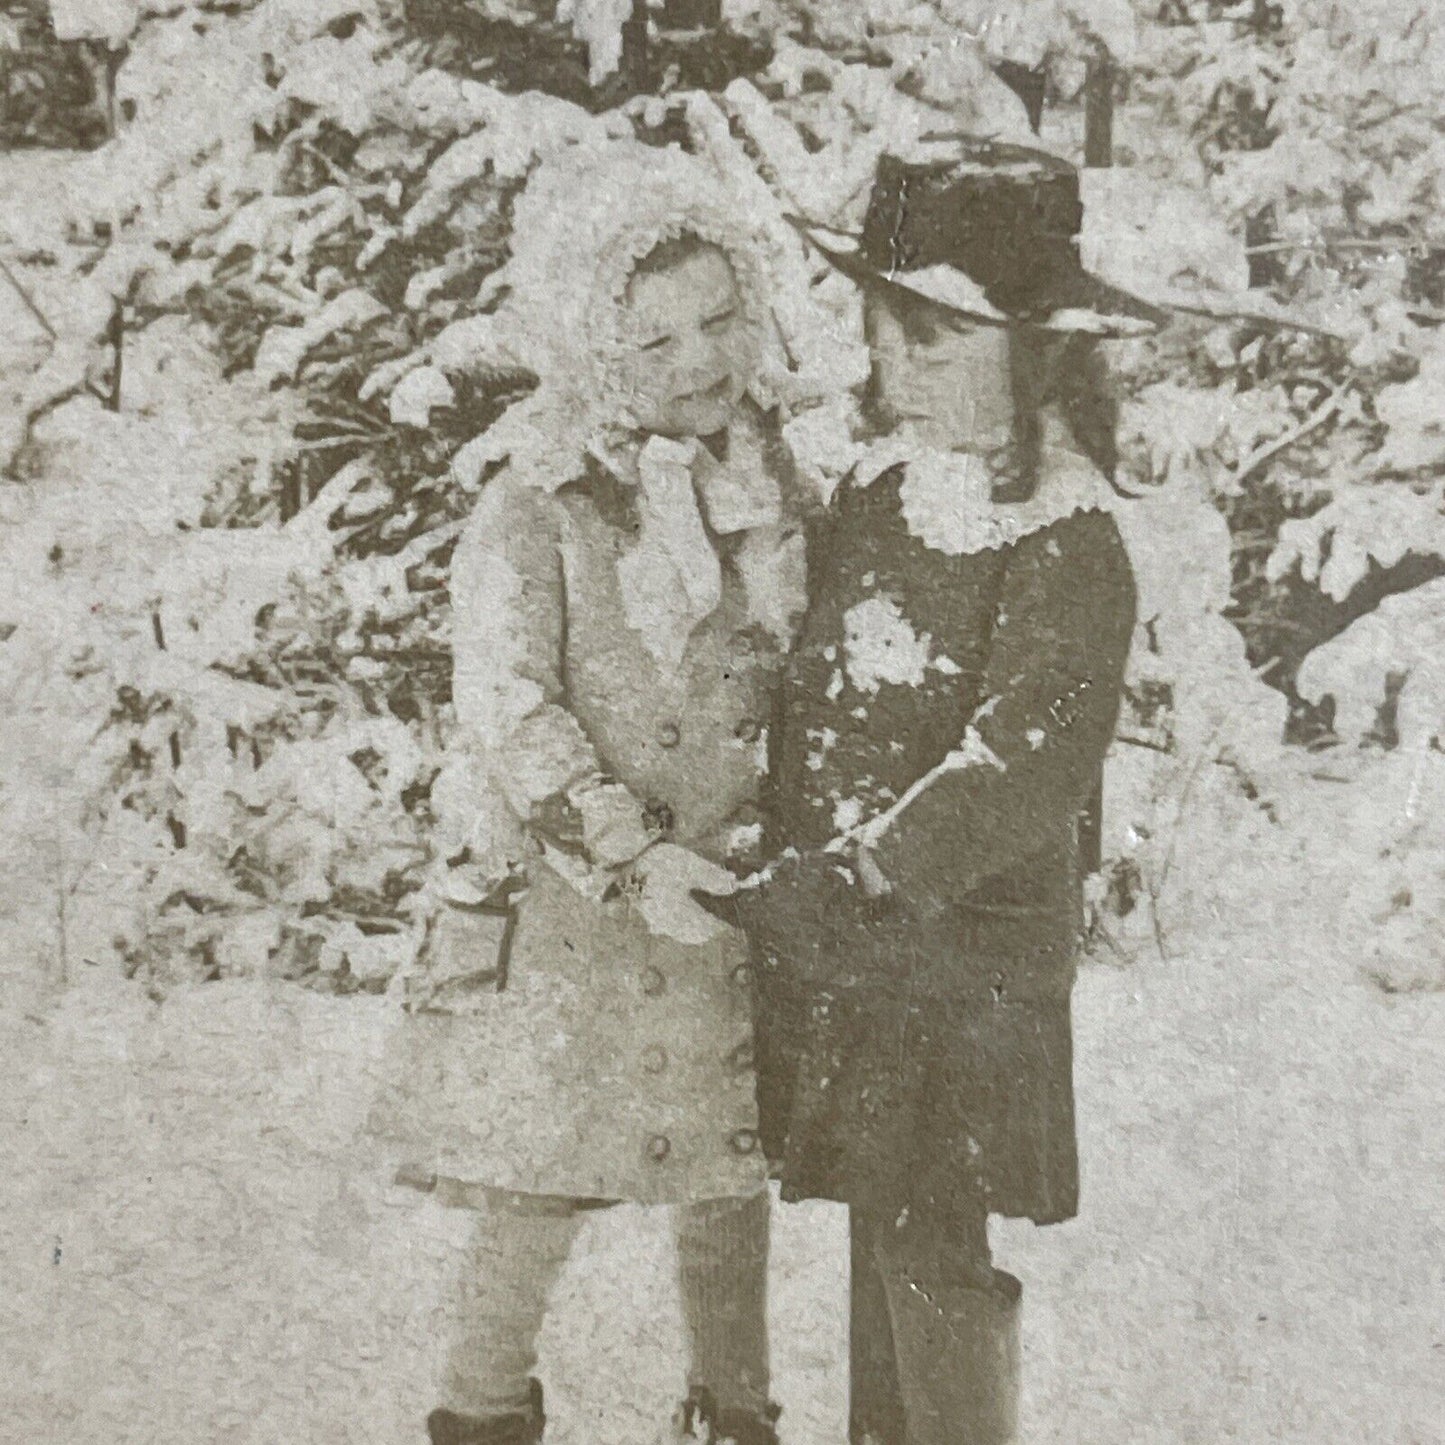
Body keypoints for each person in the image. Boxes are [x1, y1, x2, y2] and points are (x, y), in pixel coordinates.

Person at [366, 142, 810, 1445]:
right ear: (592, 351)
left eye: (718, 319)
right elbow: (508, 700)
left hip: (721, 896)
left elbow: (808, 675)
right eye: (653, 337)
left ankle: (734, 1413)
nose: (695, 360)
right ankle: (483, 1408)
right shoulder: (533, 506)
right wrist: (618, 843)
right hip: (569, 913)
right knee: (537, 1180)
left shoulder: (780, 492)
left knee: (726, 1179)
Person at [718, 142, 1153, 1445]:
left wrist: (868, 869)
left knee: (932, 1240)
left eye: (934, 339)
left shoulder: (1065, 540)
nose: (899, 368)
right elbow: (818, 675)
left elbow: (1023, 761)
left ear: (1034, 357)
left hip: (964, 966)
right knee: (879, 1222)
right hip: (855, 957)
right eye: (884, 335)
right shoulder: (882, 491)